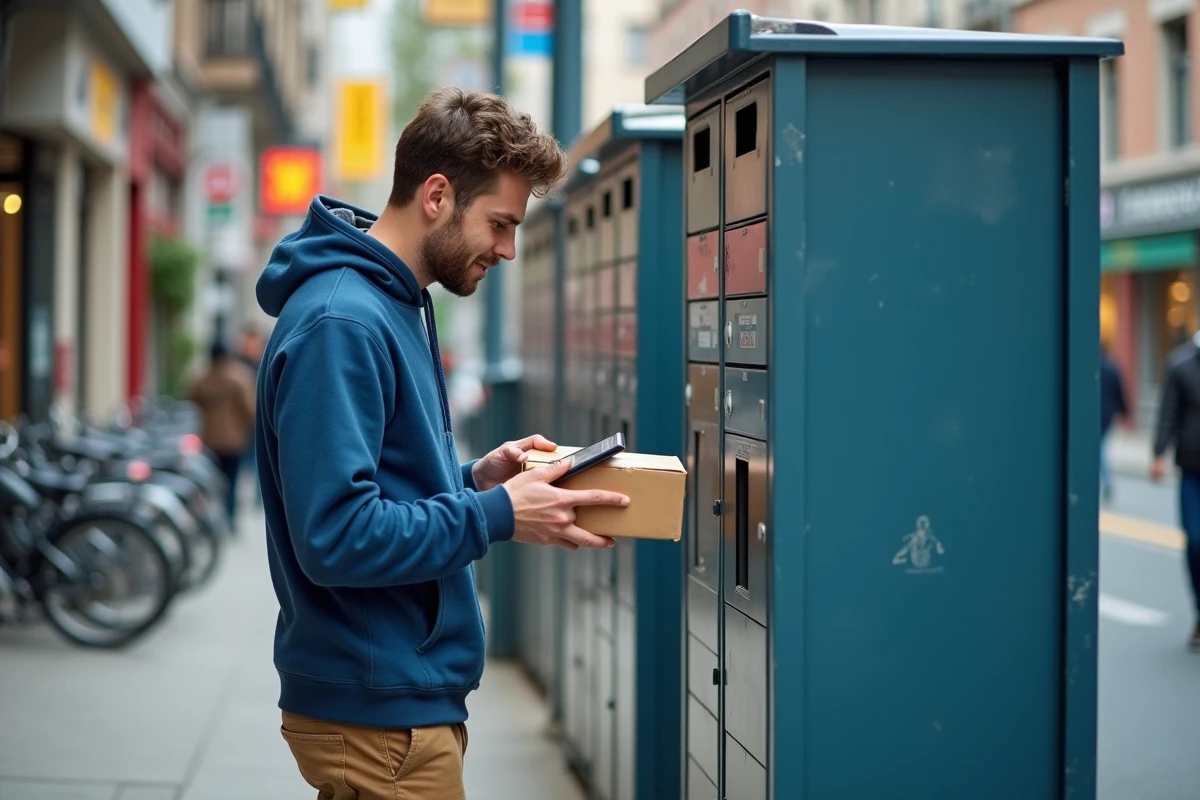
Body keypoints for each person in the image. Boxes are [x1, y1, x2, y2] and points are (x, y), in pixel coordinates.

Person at [253, 87, 629, 799]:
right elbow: (335, 534)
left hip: (392, 699)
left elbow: (373, 486)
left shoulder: (390, 302)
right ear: (436, 195)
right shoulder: (345, 321)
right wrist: (497, 516)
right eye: (499, 223)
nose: (508, 249)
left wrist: (474, 482)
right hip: (376, 716)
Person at [1150, 331, 1200, 651]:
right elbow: (1168, 411)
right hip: (1193, 470)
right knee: (1196, 541)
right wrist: (1158, 453)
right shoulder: (1181, 363)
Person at [186, 340, 256, 528]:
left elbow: (191, 402)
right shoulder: (239, 378)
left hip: (209, 440)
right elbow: (249, 410)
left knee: (211, 482)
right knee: (232, 482)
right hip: (234, 440)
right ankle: (230, 518)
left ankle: (212, 521)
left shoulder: (202, 379)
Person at [1099, 346, 1129, 503]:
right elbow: (1120, 391)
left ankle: (1107, 481)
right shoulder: (1112, 367)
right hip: (1107, 415)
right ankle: (1107, 482)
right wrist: (1125, 411)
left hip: (1097, 415)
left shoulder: (1092, 367)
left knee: (1099, 450)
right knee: (1101, 449)